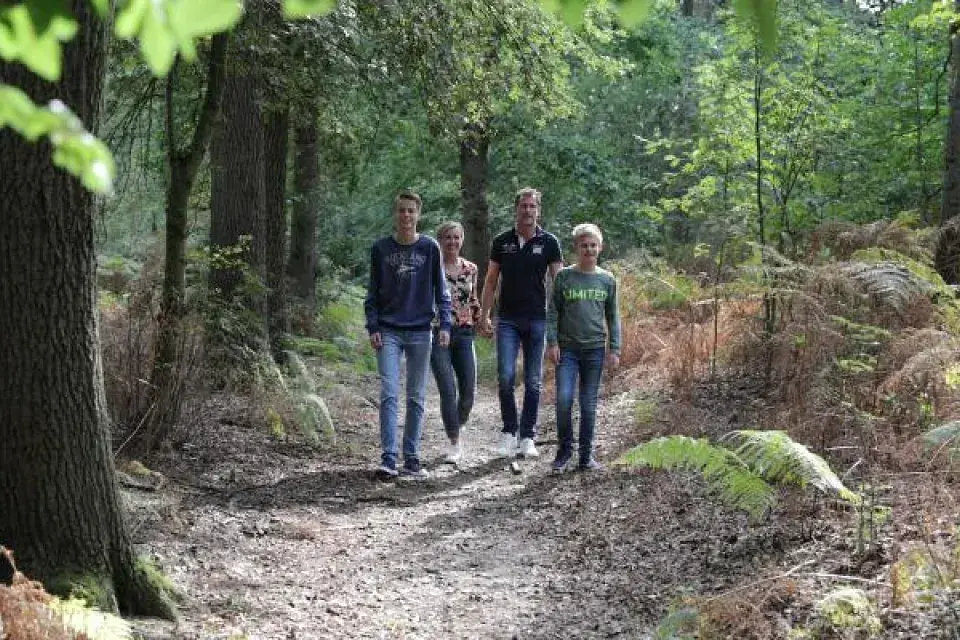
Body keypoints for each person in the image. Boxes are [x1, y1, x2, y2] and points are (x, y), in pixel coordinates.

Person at [365, 190, 452, 479]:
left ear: (418, 214)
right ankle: (389, 459)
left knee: (416, 397)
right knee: (389, 394)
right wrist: (373, 326)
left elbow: (442, 290)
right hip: (388, 330)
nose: (406, 216)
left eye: (411, 211)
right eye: (401, 210)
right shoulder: (381, 249)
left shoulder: (429, 248)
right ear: (395, 214)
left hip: (420, 331)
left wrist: (446, 325)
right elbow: (372, 293)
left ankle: (412, 457)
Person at [479, 187, 563, 458]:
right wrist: (484, 316)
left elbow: (559, 285)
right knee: (505, 377)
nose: (527, 210)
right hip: (508, 320)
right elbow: (491, 281)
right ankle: (508, 431)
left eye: (532, 206)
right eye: (523, 206)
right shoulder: (502, 241)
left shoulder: (549, 242)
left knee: (534, 381)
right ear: (516, 208)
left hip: (538, 319)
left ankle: (528, 436)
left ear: (538, 210)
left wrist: (558, 326)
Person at [546, 223, 621, 472]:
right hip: (567, 350)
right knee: (565, 399)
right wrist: (553, 342)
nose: (588, 249)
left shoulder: (607, 280)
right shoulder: (564, 277)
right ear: (576, 248)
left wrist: (615, 349)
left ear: (600, 248)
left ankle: (586, 456)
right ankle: (564, 451)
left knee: (588, 403)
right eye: (583, 245)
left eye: (592, 245)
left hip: (595, 350)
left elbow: (613, 316)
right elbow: (552, 312)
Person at [430, 221, 481, 465]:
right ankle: (454, 441)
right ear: (440, 241)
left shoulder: (471, 269)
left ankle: (455, 422)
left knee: (469, 391)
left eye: (456, 237)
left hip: (464, 332)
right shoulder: (431, 268)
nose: (452, 242)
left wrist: (483, 321)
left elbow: (473, 299)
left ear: (462, 240)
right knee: (448, 390)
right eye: (447, 237)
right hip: (437, 333)